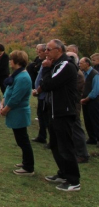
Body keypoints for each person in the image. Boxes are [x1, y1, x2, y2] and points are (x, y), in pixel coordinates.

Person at [37, 39, 81, 192]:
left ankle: (74, 180)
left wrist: (46, 69)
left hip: (64, 111)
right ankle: (63, 173)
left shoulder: (66, 66)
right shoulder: (56, 65)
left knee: (66, 146)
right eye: (46, 50)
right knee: (55, 144)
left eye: (49, 49)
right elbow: (44, 84)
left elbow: (48, 84)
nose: (46, 52)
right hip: (54, 111)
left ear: (59, 50)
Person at [0, 50, 35, 176]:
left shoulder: (23, 77)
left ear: (16, 61)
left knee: (23, 140)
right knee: (20, 139)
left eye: (11, 59)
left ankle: (29, 167)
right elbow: (8, 89)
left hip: (19, 112)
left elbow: (16, 97)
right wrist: (2, 102)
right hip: (14, 112)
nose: (9, 62)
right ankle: (26, 162)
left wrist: (5, 109)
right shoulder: (16, 75)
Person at [79, 57, 99, 146]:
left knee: (95, 120)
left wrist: (87, 98)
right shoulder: (83, 74)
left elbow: (96, 90)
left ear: (87, 64)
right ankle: (92, 138)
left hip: (93, 101)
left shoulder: (95, 74)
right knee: (87, 120)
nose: (79, 65)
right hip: (85, 100)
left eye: (81, 63)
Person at [31, 44, 49, 144]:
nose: (38, 53)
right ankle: (42, 135)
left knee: (44, 116)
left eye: (40, 51)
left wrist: (37, 91)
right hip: (40, 94)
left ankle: (43, 136)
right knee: (41, 115)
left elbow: (46, 81)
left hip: (44, 95)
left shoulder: (47, 63)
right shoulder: (42, 62)